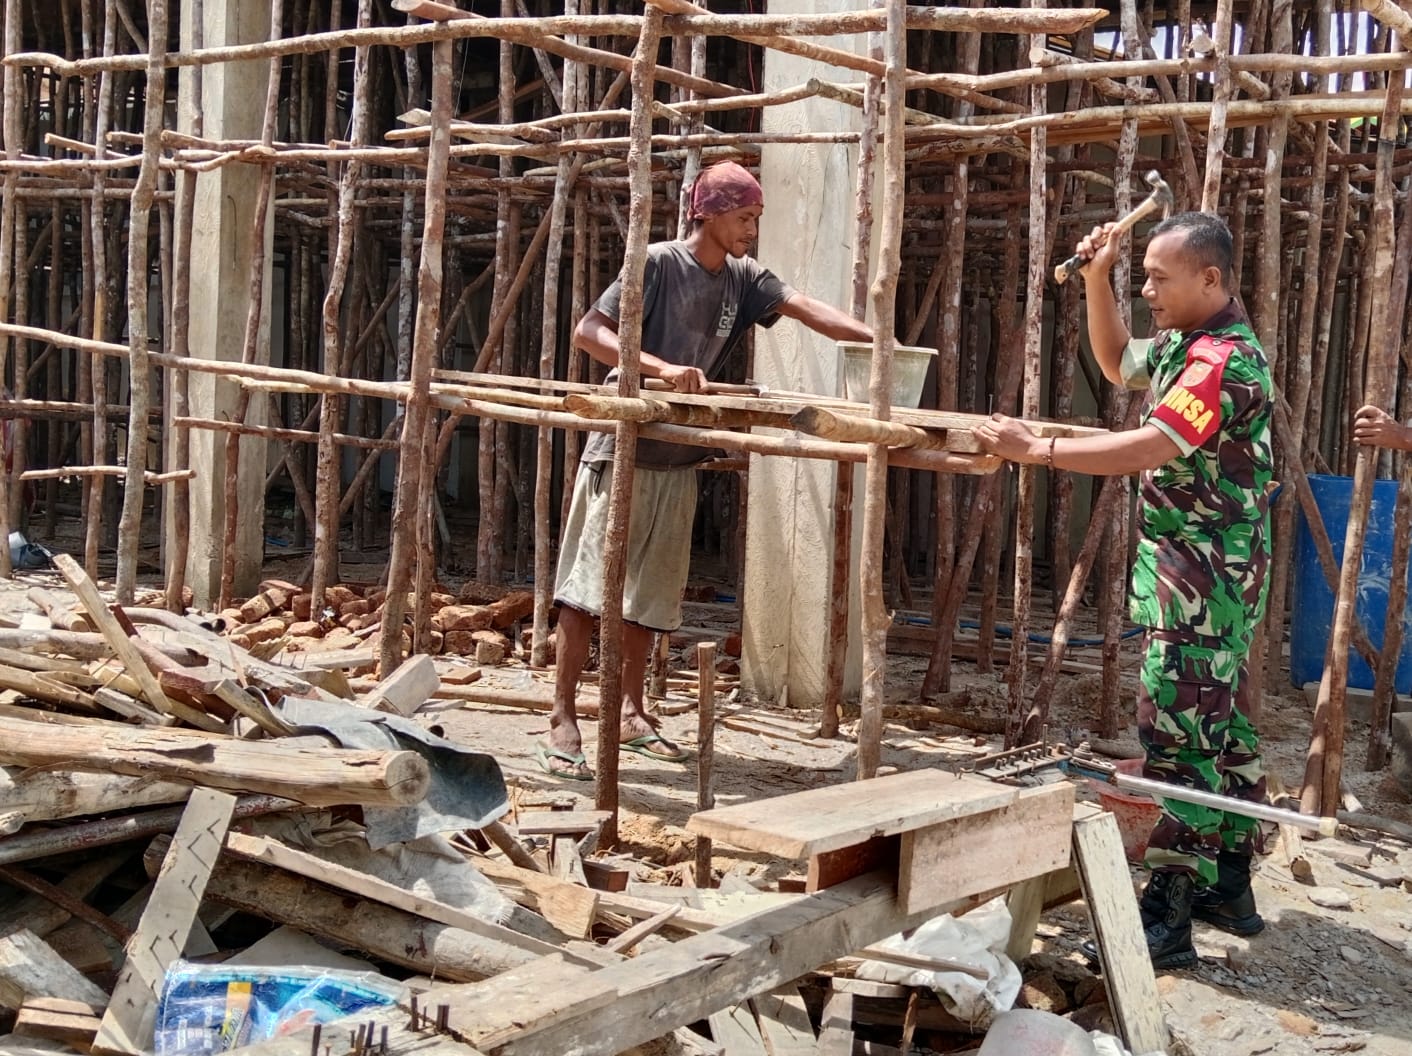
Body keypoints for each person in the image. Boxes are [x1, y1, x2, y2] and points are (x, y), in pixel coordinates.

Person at [974, 211, 1274, 969]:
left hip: (1206, 581)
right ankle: (1227, 887)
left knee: (1176, 741)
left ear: (1211, 278)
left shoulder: (1224, 363)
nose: (1147, 291)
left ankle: (1166, 917)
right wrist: (1099, 278)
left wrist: (1035, 450)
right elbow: (1115, 365)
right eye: (1140, 276)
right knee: (1219, 730)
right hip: (1197, 575)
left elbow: (1150, 444)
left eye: (1156, 278)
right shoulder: (1185, 342)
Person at [541, 160, 873, 781]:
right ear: (711, 213)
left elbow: (805, 308)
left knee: (649, 598)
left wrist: (877, 341)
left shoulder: (746, 280)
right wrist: (661, 368)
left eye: (756, 219)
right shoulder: (660, 262)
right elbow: (590, 331)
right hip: (624, 451)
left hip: (678, 459)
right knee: (587, 595)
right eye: (744, 218)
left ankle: (631, 711)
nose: (751, 230)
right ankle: (562, 715)